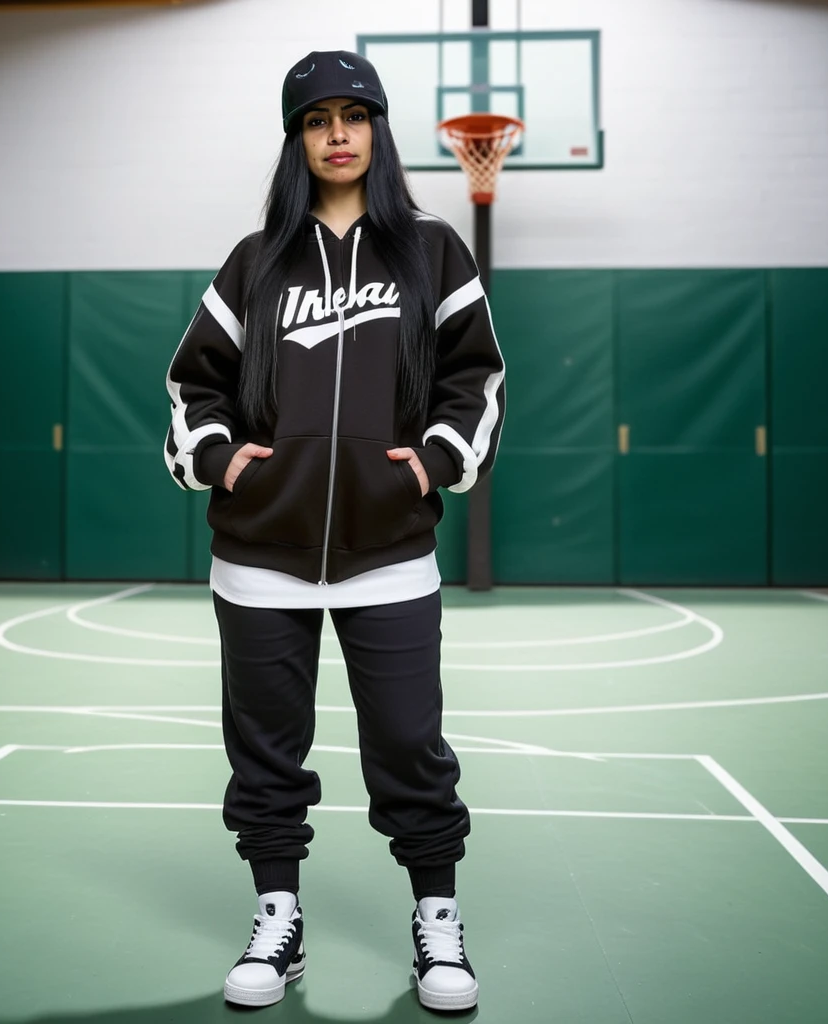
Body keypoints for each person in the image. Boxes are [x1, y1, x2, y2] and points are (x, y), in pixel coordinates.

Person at [164, 49, 505, 1013]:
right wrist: (220, 456)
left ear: (378, 132)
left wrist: (433, 461)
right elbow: (193, 384)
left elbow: (476, 378)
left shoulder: (433, 252)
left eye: (354, 116)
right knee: (265, 752)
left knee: (409, 745)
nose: (338, 134)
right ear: (298, 141)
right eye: (317, 120)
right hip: (260, 557)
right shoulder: (257, 260)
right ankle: (279, 918)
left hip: (390, 552)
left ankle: (437, 919)